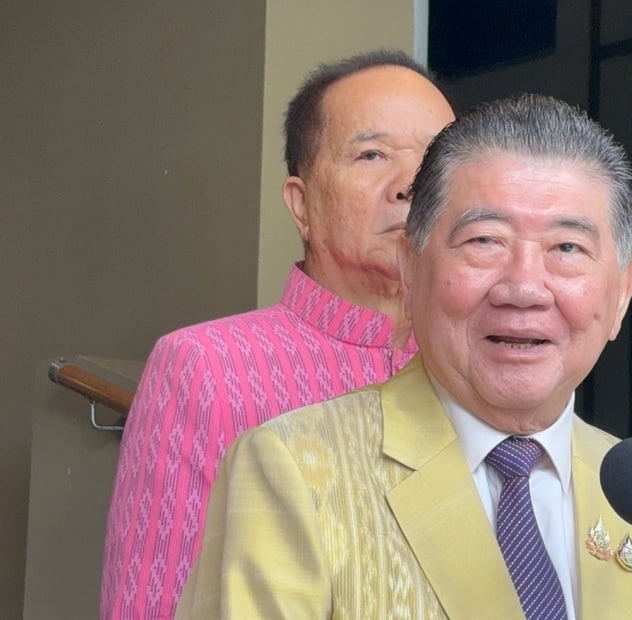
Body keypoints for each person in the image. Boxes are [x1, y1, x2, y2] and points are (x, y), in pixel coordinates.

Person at [176, 94, 632, 619]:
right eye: (485, 241)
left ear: (622, 292)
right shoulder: (295, 469)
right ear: (410, 269)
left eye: (567, 248)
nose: (524, 288)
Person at [100, 50, 455, 619]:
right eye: (372, 154)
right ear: (302, 204)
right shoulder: (206, 366)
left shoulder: (477, 369)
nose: (411, 184)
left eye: (435, 160)